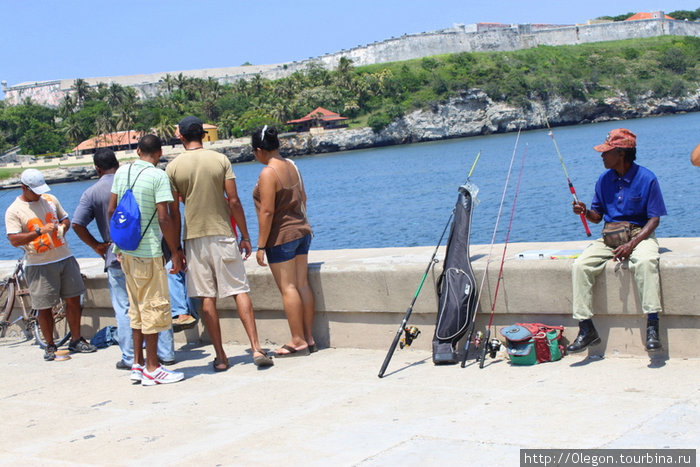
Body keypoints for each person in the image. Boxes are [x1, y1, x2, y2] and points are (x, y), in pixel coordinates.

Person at [166, 116, 273, 370]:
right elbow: (233, 200)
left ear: (180, 135)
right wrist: (245, 236)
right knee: (239, 290)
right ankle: (256, 348)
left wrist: (175, 250)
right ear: (203, 135)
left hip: (193, 238)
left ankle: (221, 357)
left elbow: (173, 213)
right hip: (223, 233)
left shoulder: (172, 168)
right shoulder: (220, 160)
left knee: (207, 298)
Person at [72, 149, 176, 370]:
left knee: (126, 309)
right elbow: (162, 216)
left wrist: (98, 246)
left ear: (97, 169)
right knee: (156, 302)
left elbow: (77, 224)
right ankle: (164, 354)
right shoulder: (132, 178)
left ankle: (131, 358)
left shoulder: (91, 192)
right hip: (145, 252)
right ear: (117, 163)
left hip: (116, 254)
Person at [569, 128, 666, 353]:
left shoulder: (647, 178)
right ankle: (586, 328)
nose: (602, 156)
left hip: (640, 236)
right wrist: (584, 211)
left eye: (606, 152)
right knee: (580, 265)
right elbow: (597, 216)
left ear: (621, 154)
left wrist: (632, 244)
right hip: (610, 237)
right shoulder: (604, 180)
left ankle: (652, 324)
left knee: (644, 263)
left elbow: (654, 220)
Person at [108, 135, 185, 385]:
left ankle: (137, 364)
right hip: (149, 251)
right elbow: (164, 217)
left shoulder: (122, 172)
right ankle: (153, 368)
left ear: (138, 150)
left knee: (136, 309)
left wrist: (118, 243)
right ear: (159, 152)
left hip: (126, 252)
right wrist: (175, 251)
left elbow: (112, 211)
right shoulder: (158, 176)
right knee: (154, 307)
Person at [5, 168, 97, 361]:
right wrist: (39, 232)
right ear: (24, 188)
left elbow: (65, 218)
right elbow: (14, 239)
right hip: (39, 264)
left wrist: (64, 226)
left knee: (73, 299)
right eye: (34, 190)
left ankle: (76, 339)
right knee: (44, 306)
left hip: (64, 257)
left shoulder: (50, 200)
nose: (39, 194)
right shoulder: (14, 210)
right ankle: (50, 345)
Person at [252, 125, 316, 357]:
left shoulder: (268, 173)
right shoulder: (292, 166)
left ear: (259, 150)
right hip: (302, 232)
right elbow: (304, 198)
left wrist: (260, 246)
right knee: (302, 285)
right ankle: (309, 337)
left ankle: (297, 340)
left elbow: (267, 212)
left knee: (288, 288)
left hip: (281, 237)